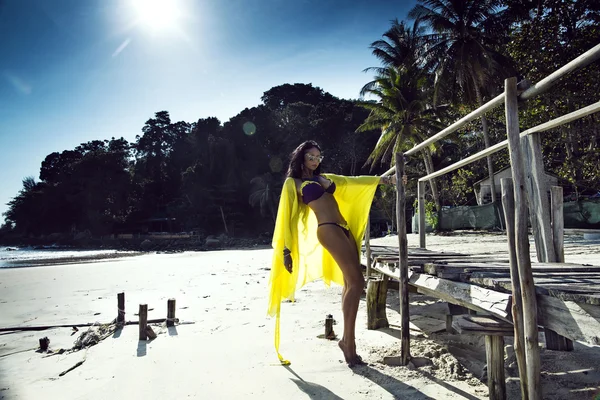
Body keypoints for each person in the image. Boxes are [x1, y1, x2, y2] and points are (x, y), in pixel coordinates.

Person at [267, 140, 399, 367]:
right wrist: (286, 250)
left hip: (344, 228)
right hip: (327, 229)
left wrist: (385, 180)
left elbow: (352, 182)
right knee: (357, 282)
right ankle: (349, 343)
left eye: (319, 156)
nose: (315, 160)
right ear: (301, 157)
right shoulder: (294, 182)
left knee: (351, 283)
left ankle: (347, 340)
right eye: (311, 156)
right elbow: (286, 217)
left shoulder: (323, 177)